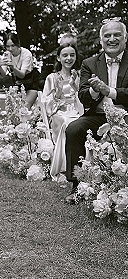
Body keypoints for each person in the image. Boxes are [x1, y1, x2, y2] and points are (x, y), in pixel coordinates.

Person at [65, 18, 128, 203]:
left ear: (125, 38)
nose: (112, 39)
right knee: (74, 129)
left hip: (126, 116)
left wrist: (109, 91)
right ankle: (77, 186)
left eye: (117, 35)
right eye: (107, 35)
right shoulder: (90, 63)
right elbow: (83, 96)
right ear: (101, 40)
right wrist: (94, 89)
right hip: (99, 117)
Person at [42, 43, 83, 180]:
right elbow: (46, 106)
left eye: (72, 55)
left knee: (80, 122)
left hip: (78, 111)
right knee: (65, 122)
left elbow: (86, 100)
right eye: (65, 55)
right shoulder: (52, 78)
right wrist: (58, 92)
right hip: (59, 113)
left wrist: (75, 87)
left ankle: (81, 167)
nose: (69, 58)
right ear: (59, 58)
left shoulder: (80, 75)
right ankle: (64, 168)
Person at [0, 33, 39, 108]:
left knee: (25, 108)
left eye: (13, 46)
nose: (10, 49)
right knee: (16, 109)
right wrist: (0, 66)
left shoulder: (26, 54)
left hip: (32, 81)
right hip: (18, 82)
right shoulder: (7, 54)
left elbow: (22, 74)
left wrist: (13, 67)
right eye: (7, 46)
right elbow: (3, 74)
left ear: (18, 44)